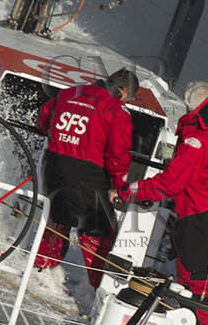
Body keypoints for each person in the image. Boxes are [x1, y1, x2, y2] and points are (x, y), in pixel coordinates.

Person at [112, 80, 208, 325]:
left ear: (191, 109)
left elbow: (169, 184)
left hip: (204, 228)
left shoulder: (198, 141)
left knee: (201, 292)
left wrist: (128, 191)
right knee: (207, 288)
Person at [34, 68, 137, 289]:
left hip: (52, 169)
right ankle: (99, 290)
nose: (126, 102)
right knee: (101, 233)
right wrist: (119, 188)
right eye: (128, 99)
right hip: (87, 177)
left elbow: (43, 119)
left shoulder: (69, 93)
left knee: (57, 220)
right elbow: (117, 156)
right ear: (122, 91)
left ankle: (39, 272)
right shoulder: (117, 111)